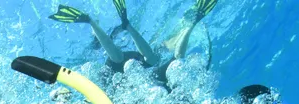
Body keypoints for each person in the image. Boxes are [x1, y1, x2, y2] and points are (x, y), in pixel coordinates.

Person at [48, 0, 217, 81]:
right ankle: (118, 24)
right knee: (160, 59)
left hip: (130, 72)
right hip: (142, 71)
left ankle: (96, 21)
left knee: (124, 59)